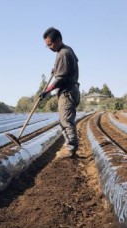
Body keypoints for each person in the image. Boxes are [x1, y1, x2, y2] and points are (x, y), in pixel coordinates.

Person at [39, 27, 80, 159]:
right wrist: (56, 69)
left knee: (66, 121)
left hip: (67, 92)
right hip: (71, 91)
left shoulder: (62, 53)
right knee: (65, 120)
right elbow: (68, 67)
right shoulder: (67, 50)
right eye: (47, 46)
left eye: (50, 44)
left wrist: (47, 91)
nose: (49, 47)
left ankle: (70, 148)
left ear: (58, 40)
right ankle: (69, 146)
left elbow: (61, 78)